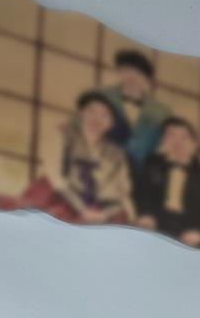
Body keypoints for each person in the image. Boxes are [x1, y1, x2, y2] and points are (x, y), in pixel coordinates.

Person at [25, 91, 135, 224]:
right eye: (92, 112)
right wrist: (82, 210)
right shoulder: (62, 134)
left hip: (98, 207)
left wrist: (105, 213)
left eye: (105, 115)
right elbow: (55, 176)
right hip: (60, 196)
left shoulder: (116, 154)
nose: (97, 119)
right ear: (81, 113)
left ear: (111, 122)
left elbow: (122, 191)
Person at [133, 118, 200, 248]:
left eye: (184, 137)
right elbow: (141, 193)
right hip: (157, 225)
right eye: (171, 136)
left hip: (193, 230)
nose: (177, 142)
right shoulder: (152, 164)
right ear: (163, 141)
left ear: (194, 144)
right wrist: (145, 214)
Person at [99, 49, 172, 169]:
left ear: (146, 78)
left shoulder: (161, 113)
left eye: (137, 73)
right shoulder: (102, 97)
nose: (131, 77)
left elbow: (165, 148)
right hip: (99, 165)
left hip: (141, 172)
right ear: (119, 72)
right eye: (126, 70)